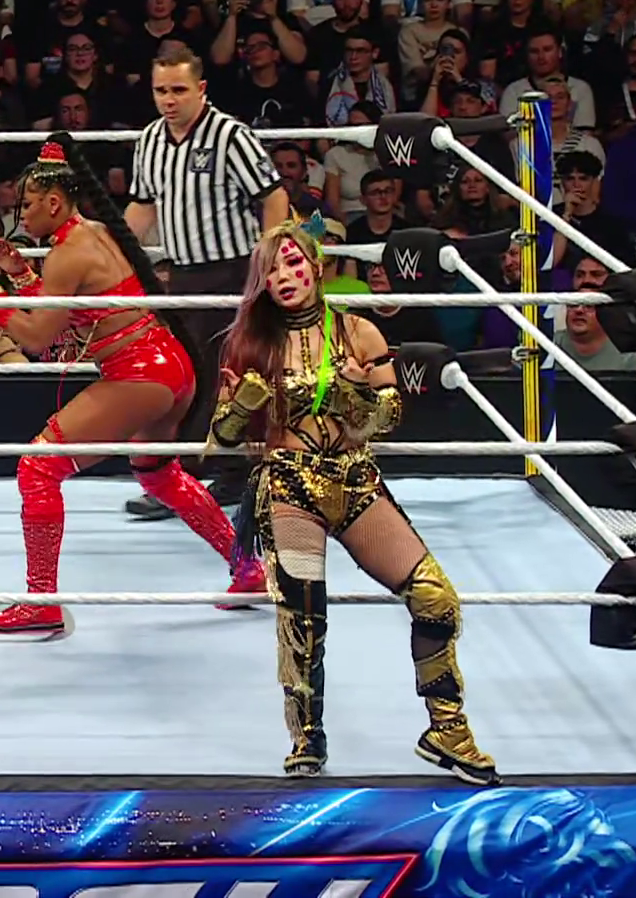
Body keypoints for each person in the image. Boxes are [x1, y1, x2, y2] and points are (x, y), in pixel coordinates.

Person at [211, 220, 499, 786]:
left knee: (435, 596)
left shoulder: (360, 331)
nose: (284, 276)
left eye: (294, 262)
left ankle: (447, 730)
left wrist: (351, 392)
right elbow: (219, 441)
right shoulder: (250, 343)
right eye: (272, 269)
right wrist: (243, 406)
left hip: (354, 480)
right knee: (303, 615)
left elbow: (389, 418)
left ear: (316, 267)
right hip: (290, 484)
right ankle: (306, 736)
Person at [0, 133, 265, 634]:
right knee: (159, 475)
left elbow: (38, 335)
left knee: (38, 467)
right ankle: (247, 568)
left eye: (28, 205)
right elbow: (66, 311)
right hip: (169, 364)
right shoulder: (92, 233)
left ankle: (41, 601)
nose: (20, 216)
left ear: (55, 203)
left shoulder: (67, 253)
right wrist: (19, 272)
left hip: (139, 372)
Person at [122, 41, 292, 522]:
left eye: (178, 90)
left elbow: (273, 196)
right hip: (181, 276)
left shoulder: (230, 135)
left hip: (233, 270)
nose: (168, 99)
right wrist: (112, 252)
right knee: (187, 376)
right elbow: (142, 207)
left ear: (200, 88)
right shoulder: (150, 140)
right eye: (160, 90)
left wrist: (269, 258)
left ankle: (202, 476)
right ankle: (207, 474)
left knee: (223, 375)